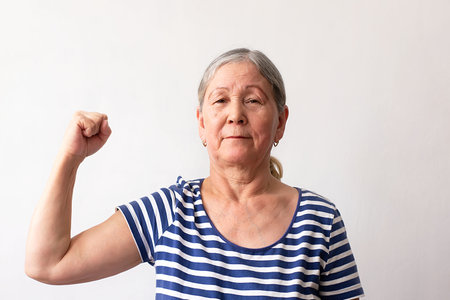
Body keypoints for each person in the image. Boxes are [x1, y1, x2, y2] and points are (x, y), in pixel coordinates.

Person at [26, 48, 364, 299]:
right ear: (202, 123)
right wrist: (70, 157)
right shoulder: (169, 211)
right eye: (220, 101)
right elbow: (47, 263)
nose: (235, 114)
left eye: (253, 100)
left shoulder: (320, 220)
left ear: (281, 121)